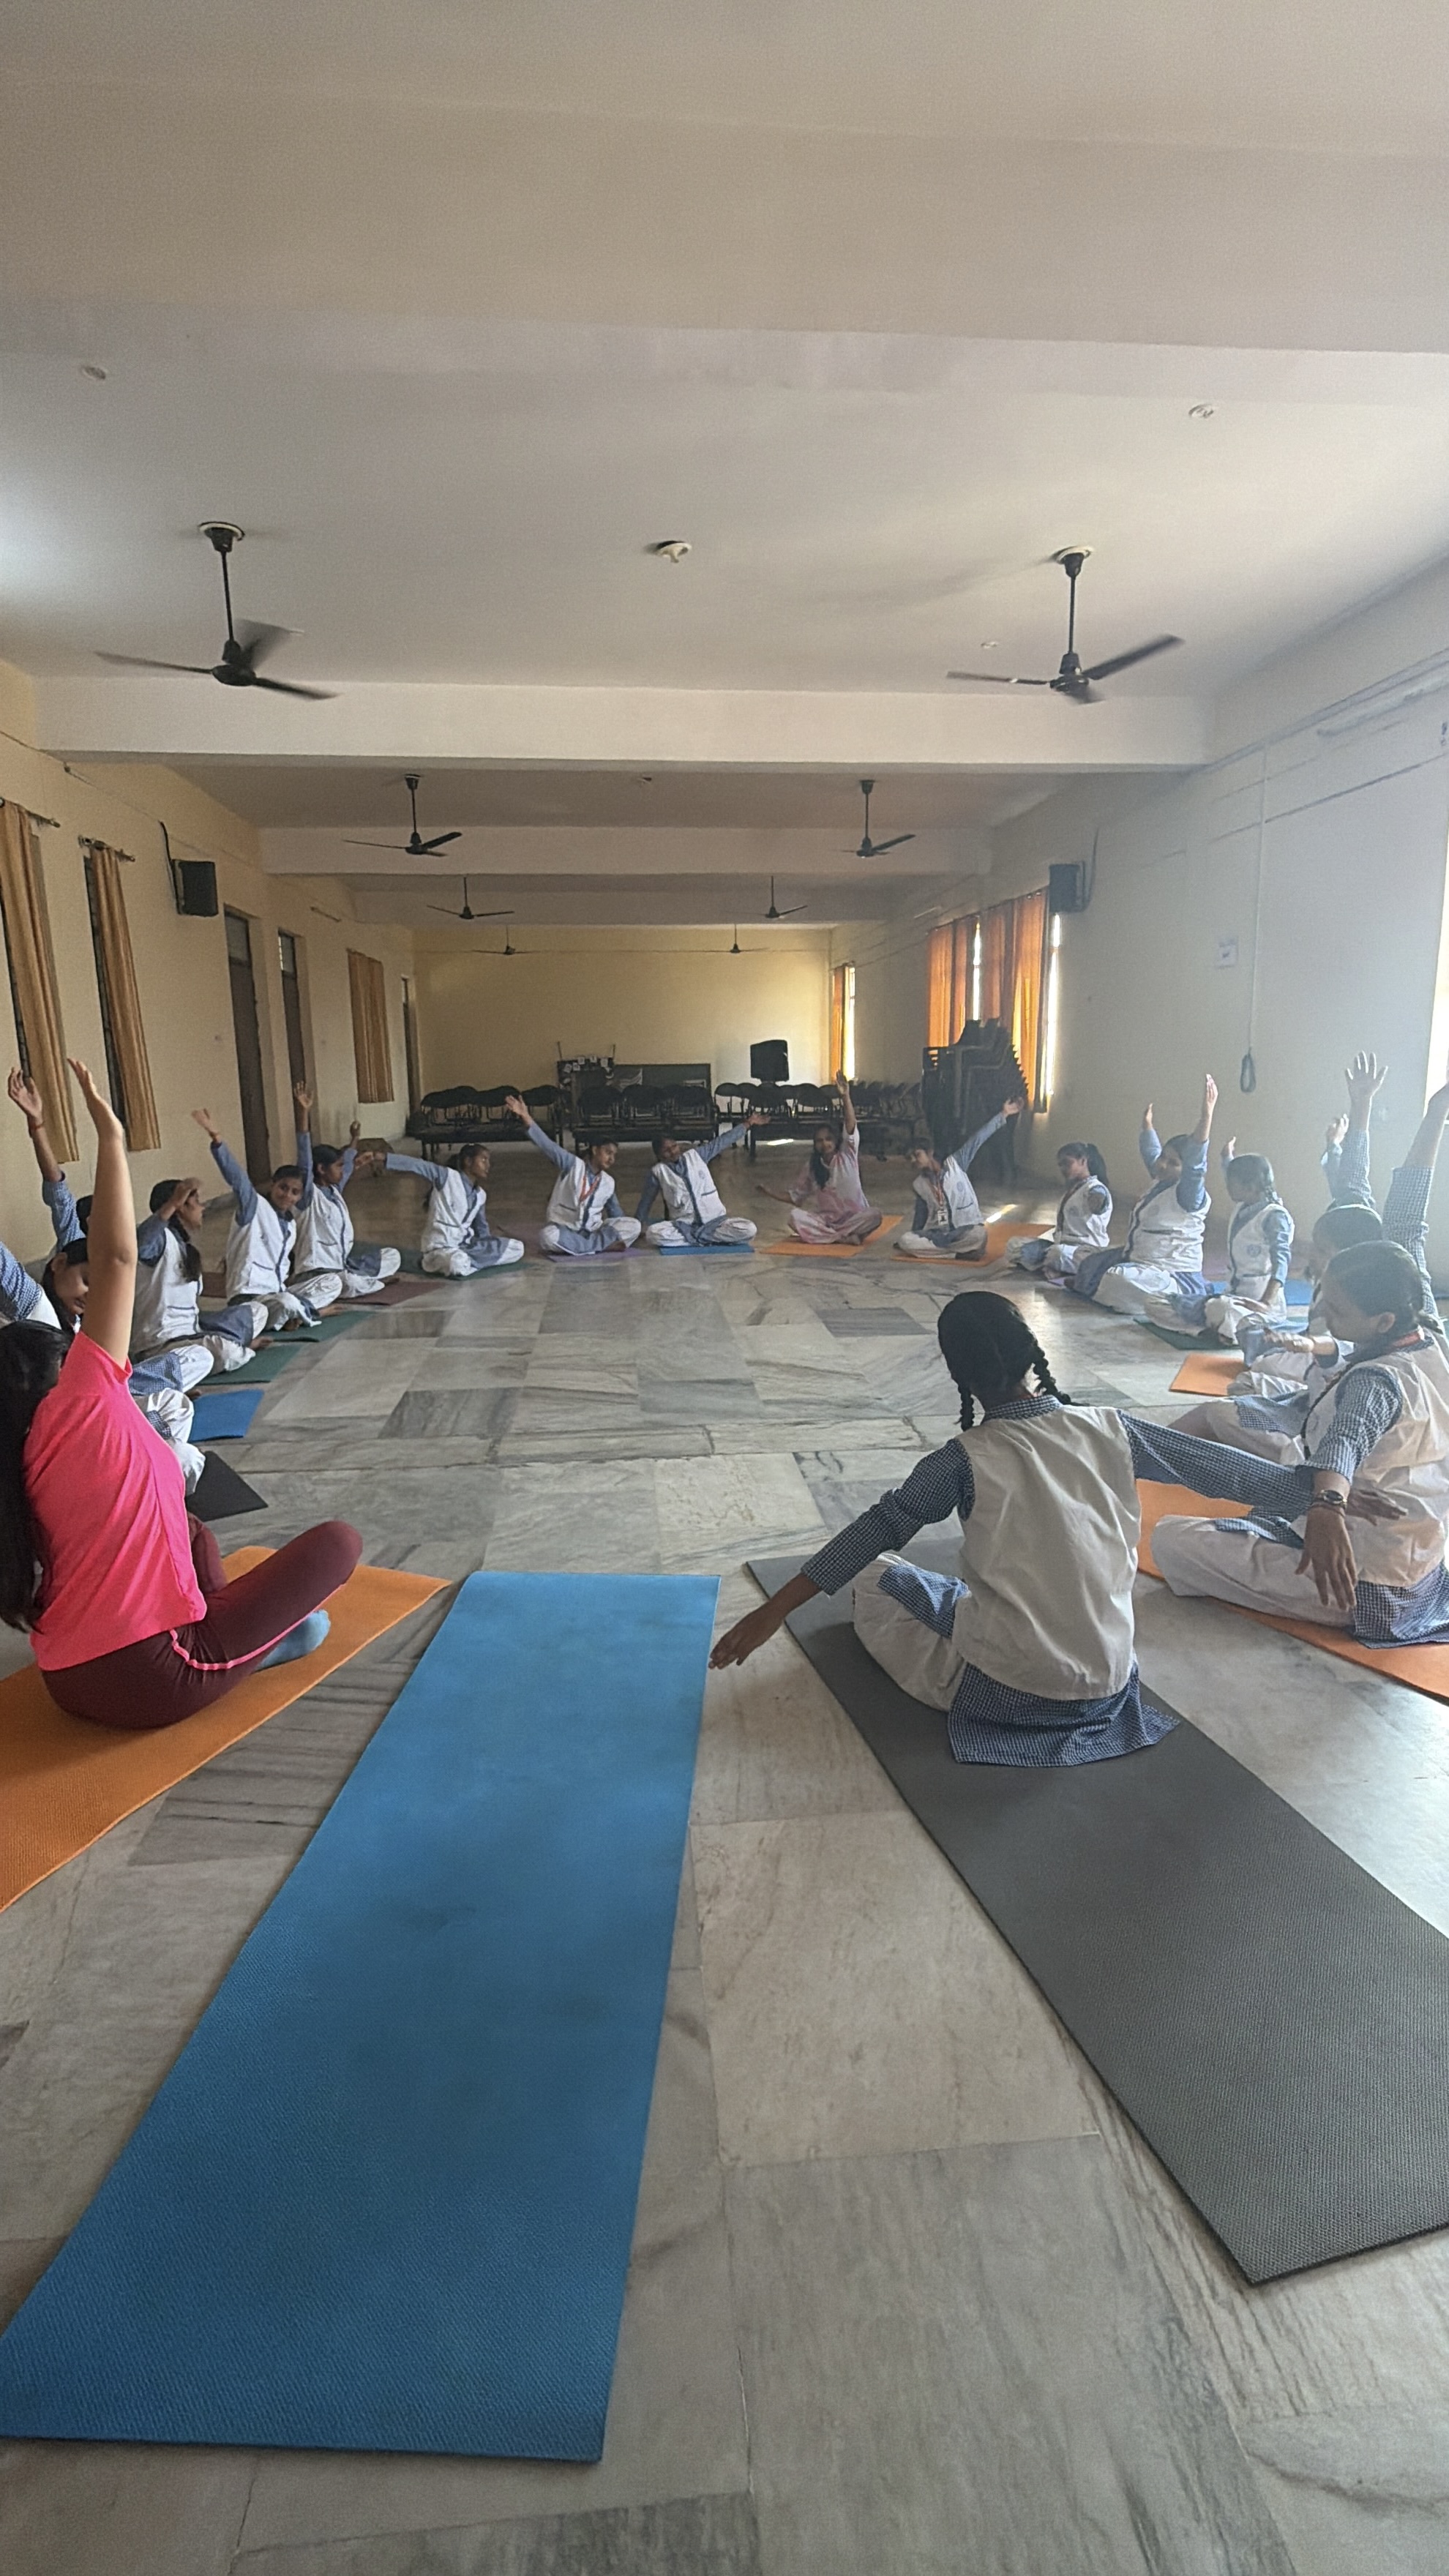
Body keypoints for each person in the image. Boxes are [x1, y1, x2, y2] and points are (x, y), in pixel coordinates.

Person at [711, 1290, 1332, 1766]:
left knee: (878, 1579)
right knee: (973, 1594)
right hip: (1113, 1683)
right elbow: (1232, 1474)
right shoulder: (1115, 1428)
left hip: (1007, 1690)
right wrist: (1330, 1499)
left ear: (959, 1373)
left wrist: (774, 1612)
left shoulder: (961, 1460)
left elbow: (877, 1530)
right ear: (1029, 1352)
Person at [0, 1058, 359, 1727]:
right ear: (57, 1374)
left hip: (65, 1683)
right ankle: (243, 1650)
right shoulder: (80, 1406)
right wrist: (110, 1136)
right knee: (339, 1543)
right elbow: (114, 1260)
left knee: (194, 1534)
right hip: (156, 1676)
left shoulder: (15, 1457)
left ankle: (244, 1639)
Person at [1153, 1240, 1449, 1642]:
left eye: (1339, 1309)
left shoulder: (1377, 1381)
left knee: (1170, 1540)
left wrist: (1327, 1508)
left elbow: (1345, 1442)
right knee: (1228, 1417)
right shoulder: (1430, 1339)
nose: (1324, 1312)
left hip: (1360, 1579)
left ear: (1383, 1321)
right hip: (1416, 1562)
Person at [1068, 1076, 1216, 1317]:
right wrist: (1147, 1127)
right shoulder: (1161, 1180)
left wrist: (1206, 1117)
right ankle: (1127, 1296)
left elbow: (1197, 1165)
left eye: (1174, 1163)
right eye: (1164, 1158)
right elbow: (1152, 1154)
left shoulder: (1189, 1194)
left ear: (1185, 1169)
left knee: (1118, 1279)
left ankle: (1174, 1298)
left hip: (1169, 1273)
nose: (1163, 1165)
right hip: (1137, 1260)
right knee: (1083, 1258)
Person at [192, 1107, 315, 1333]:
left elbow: (306, 1173)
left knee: (301, 1296)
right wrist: (216, 1137)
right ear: (273, 1185)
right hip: (247, 1295)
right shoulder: (254, 1207)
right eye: (283, 1188)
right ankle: (287, 1316)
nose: (287, 1195)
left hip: (274, 1293)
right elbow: (237, 1179)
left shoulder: (290, 1224)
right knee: (287, 1304)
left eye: (294, 1192)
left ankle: (291, 1315)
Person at [1168, 1142, 1295, 1342]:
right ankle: (1210, 1331)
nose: (1227, 1188)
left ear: (1250, 1187)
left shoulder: (1275, 1217)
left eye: (1231, 1184)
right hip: (1232, 1295)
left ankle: (1231, 1328)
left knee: (1223, 1310)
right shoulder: (1245, 1204)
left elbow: (1282, 1263)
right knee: (1159, 1302)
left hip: (1256, 1302)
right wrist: (1227, 1158)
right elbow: (1232, 1171)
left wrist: (1266, 1303)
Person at [290, 1083, 402, 1304]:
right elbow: (304, 1160)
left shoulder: (334, 1191)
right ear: (321, 1169)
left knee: (392, 1255)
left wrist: (354, 1139)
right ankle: (364, 1283)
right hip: (318, 1272)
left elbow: (349, 1163)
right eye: (337, 1166)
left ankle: (362, 1279)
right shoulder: (308, 1197)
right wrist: (304, 1114)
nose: (343, 1171)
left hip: (343, 1264)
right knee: (346, 1283)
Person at [504, 1093, 642, 1257]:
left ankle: (585, 1247)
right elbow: (548, 1146)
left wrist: (626, 1230)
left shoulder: (608, 1182)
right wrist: (526, 1117)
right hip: (566, 1230)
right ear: (595, 1149)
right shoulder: (573, 1165)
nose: (612, 1159)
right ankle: (598, 1247)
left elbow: (616, 1213)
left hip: (593, 1231)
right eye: (608, 1152)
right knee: (547, 1237)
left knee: (634, 1225)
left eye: (614, 1155)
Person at [761, 1071, 883, 1246]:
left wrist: (846, 1097)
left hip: (854, 1218)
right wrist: (769, 1192)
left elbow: (850, 1125)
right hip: (827, 1221)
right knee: (794, 1218)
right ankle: (842, 1237)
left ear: (835, 1140)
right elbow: (796, 1197)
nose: (824, 1144)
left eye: (828, 1139)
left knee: (875, 1215)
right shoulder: (812, 1166)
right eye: (819, 1141)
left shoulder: (847, 1154)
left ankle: (831, 1236)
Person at [896, 1096, 1027, 1258]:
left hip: (964, 1230)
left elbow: (977, 1139)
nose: (914, 1161)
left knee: (979, 1235)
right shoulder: (919, 1184)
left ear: (930, 1152)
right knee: (906, 1240)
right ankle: (957, 1254)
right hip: (937, 1234)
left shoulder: (955, 1164)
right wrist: (915, 1234)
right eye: (910, 1159)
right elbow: (921, 1214)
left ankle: (945, 1252)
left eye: (917, 1155)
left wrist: (1003, 1114)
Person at [379, 1139, 524, 1273]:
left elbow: (481, 1229)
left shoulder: (480, 1195)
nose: (488, 1165)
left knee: (517, 1248)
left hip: (467, 1247)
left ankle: (471, 1263)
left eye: (488, 1161)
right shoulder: (447, 1177)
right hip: (441, 1249)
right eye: (483, 1160)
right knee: (456, 1262)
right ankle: (461, 1263)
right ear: (468, 1161)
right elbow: (417, 1165)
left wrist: (489, 1246)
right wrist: (383, 1158)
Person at [635, 1117, 765, 1248]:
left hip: (715, 1222)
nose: (673, 1152)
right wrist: (638, 1226)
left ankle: (694, 1240)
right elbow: (646, 1201)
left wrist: (748, 1123)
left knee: (749, 1229)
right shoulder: (657, 1172)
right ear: (659, 1155)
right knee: (653, 1234)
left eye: (674, 1146)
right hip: (685, 1226)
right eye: (667, 1151)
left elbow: (723, 1141)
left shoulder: (696, 1156)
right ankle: (707, 1239)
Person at [1009, 1141, 1112, 1278]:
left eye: (1067, 1163)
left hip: (1086, 1251)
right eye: (1060, 1165)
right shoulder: (1074, 1189)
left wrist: (1098, 1202)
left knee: (1057, 1254)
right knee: (1014, 1246)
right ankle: (1056, 1267)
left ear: (1083, 1161)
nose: (1063, 1169)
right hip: (1062, 1246)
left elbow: (1099, 1202)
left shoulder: (1095, 1188)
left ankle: (1057, 1266)